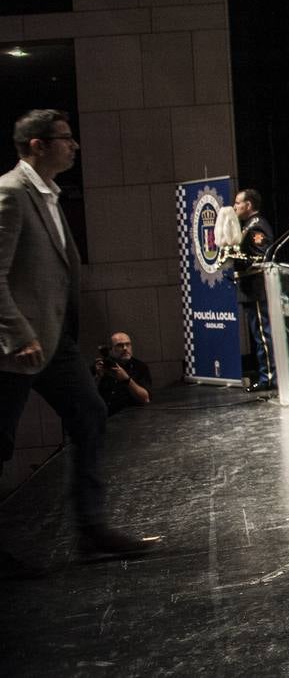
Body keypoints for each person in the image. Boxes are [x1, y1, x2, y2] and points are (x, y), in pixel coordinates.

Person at [0, 109, 157, 560]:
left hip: (55, 342)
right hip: (17, 345)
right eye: (65, 138)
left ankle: (90, 530)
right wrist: (16, 333)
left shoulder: (50, 194)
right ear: (37, 145)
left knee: (89, 413)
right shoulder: (12, 193)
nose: (74, 145)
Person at [231, 188, 274, 391]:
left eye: (238, 203)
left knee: (263, 335)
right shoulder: (247, 226)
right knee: (257, 335)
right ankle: (265, 374)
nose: (235, 206)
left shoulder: (257, 226)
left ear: (248, 205)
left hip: (257, 288)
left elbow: (261, 257)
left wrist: (236, 260)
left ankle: (269, 377)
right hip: (249, 290)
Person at [93, 331, 152, 415]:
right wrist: (98, 377)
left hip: (133, 417)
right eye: (120, 345)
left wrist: (127, 380)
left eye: (128, 344)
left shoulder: (140, 367)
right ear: (110, 349)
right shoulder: (101, 366)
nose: (125, 348)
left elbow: (145, 399)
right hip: (106, 416)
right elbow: (87, 397)